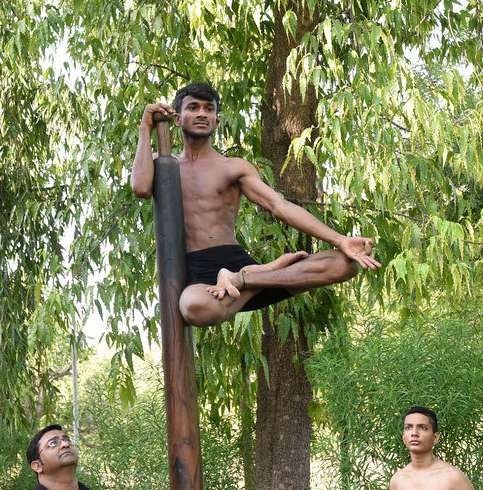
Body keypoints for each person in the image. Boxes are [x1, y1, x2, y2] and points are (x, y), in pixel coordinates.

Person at [131, 82, 381, 327]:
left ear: (216, 122)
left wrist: (340, 240)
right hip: (200, 271)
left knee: (345, 265)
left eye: (209, 109)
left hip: (235, 263)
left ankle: (243, 278)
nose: (202, 114)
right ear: (177, 118)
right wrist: (145, 128)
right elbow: (141, 188)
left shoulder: (233, 167)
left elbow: (279, 206)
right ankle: (257, 276)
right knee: (196, 309)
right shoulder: (162, 163)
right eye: (193, 107)